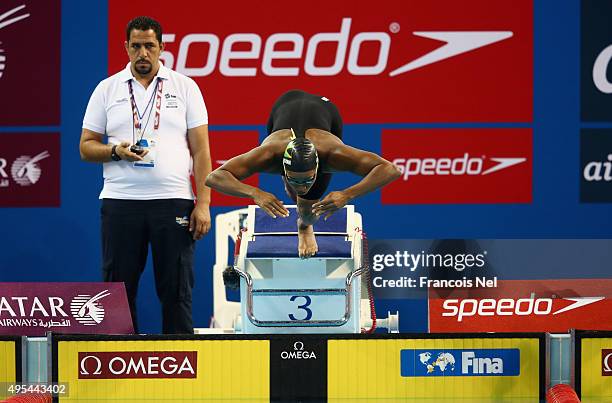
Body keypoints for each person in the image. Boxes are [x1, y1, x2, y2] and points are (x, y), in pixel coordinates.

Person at [79, 16, 212, 334]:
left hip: (175, 202)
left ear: (161, 48)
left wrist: (204, 203)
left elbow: (202, 151)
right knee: (117, 293)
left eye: (149, 46)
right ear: (125, 47)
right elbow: (85, 147)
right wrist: (115, 151)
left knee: (177, 291)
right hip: (121, 203)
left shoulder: (185, 87)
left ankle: (182, 373)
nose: (143, 53)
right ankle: (118, 370)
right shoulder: (106, 89)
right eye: (136, 46)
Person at [206, 89, 400, 258]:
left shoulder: (332, 155)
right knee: (300, 195)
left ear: (317, 167)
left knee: (307, 208)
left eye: (308, 178)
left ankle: (304, 225)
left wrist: (347, 194)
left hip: (326, 113)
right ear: (281, 167)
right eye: (294, 179)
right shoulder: (268, 155)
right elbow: (214, 177)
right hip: (285, 104)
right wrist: (255, 193)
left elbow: (390, 169)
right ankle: (295, 192)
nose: (302, 185)